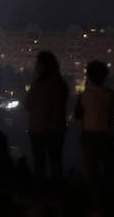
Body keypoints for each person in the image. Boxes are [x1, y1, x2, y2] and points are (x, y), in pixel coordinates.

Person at [75, 60, 114, 212]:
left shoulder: (85, 94)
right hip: (106, 136)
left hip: (89, 136)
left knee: (91, 173)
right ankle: (109, 204)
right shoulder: (110, 94)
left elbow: (77, 115)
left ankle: (95, 205)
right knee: (108, 171)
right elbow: (110, 117)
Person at [25, 50, 68, 187]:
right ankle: (58, 193)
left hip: (38, 129)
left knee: (39, 163)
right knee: (56, 163)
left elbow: (27, 105)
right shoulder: (61, 85)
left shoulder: (37, 85)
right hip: (56, 130)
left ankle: (41, 192)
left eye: (37, 64)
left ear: (42, 66)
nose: (35, 67)